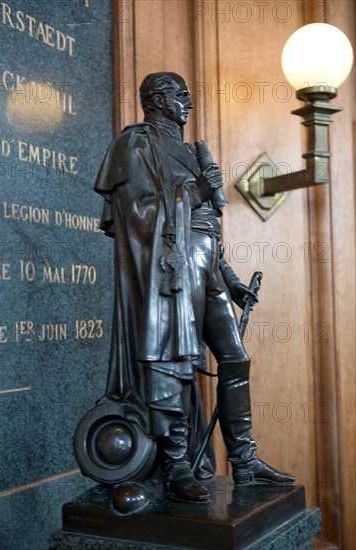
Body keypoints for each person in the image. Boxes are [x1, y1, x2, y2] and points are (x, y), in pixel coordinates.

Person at [94, 72, 294, 502]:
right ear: (155, 99)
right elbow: (136, 214)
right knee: (177, 362)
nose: (187, 100)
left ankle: (244, 461)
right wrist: (194, 193)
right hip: (171, 268)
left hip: (206, 264)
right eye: (178, 93)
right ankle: (177, 465)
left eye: (186, 93)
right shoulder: (134, 145)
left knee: (235, 359)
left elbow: (209, 230)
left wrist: (233, 282)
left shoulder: (187, 150)